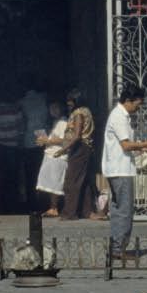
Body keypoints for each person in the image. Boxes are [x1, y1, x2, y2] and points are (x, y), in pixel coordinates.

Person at [103, 84, 147, 258]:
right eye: (137, 104)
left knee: (120, 209)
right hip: (120, 169)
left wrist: (141, 149)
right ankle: (118, 248)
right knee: (124, 210)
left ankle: (117, 246)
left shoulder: (121, 116)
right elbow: (126, 144)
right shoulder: (119, 117)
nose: (138, 107)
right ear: (129, 101)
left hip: (120, 167)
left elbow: (125, 146)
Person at [55, 90, 97, 220]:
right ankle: (86, 211)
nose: (68, 103)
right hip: (85, 148)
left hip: (79, 148)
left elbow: (77, 135)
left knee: (71, 181)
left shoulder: (79, 113)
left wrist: (63, 149)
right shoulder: (86, 110)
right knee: (82, 181)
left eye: (71, 100)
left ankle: (69, 212)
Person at [34, 102, 69, 216]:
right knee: (50, 182)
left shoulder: (64, 122)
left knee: (56, 182)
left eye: (55, 108)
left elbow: (63, 140)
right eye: (51, 108)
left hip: (58, 155)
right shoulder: (56, 122)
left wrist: (47, 141)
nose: (52, 111)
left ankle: (54, 207)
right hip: (51, 154)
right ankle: (52, 207)